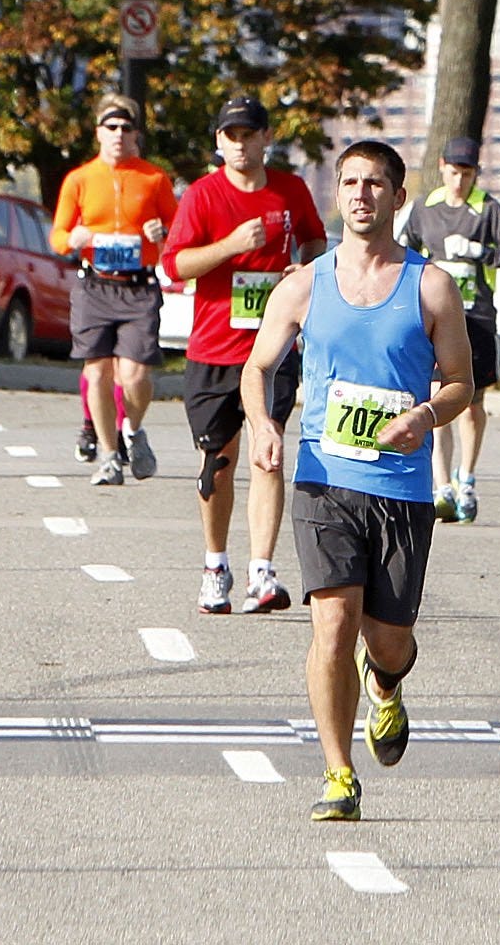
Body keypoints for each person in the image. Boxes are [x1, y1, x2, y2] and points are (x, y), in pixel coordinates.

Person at [244, 137, 475, 823]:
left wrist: (425, 415)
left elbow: (462, 382)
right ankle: (338, 771)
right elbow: (257, 367)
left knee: (387, 638)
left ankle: (389, 684)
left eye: (376, 183)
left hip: (401, 486)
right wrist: (263, 423)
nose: (361, 194)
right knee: (333, 627)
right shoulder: (305, 284)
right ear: (336, 193)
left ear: (399, 197)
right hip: (324, 479)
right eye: (350, 181)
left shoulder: (430, 284)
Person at [161, 92, 326, 617]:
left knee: (269, 453)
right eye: (230, 135)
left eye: (249, 133)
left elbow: (315, 243)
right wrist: (231, 245)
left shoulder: (291, 190)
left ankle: (262, 571)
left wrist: (303, 270)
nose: (240, 143)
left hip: (272, 348)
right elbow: (176, 265)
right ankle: (215, 565)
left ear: (266, 138)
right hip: (214, 349)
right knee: (219, 462)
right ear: (219, 142)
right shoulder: (203, 197)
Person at [52, 94, 177, 484]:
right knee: (97, 372)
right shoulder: (80, 179)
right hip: (95, 286)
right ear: (98, 133)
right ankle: (108, 455)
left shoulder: (153, 178)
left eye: (125, 128)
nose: (118, 135)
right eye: (111, 128)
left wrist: (163, 233)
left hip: (138, 288)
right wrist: (74, 237)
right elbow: (56, 236)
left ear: (135, 134)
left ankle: (134, 432)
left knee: (136, 375)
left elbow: (178, 235)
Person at [400, 135, 500, 521]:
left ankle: (466, 478)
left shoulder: (489, 209)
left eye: (467, 173)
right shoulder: (426, 207)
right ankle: (441, 486)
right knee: (438, 398)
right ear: (442, 168)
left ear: (476, 173)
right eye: (454, 172)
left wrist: (480, 252)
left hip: (478, 315)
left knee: (472, 403)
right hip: (437, 316)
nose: (459, 180)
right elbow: (405, 248)